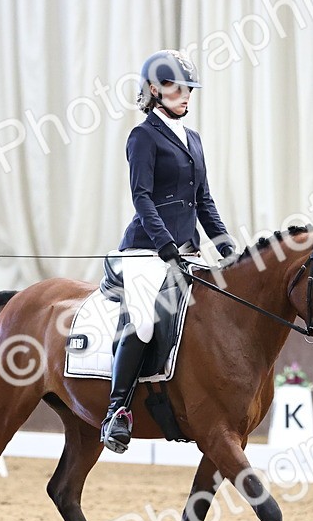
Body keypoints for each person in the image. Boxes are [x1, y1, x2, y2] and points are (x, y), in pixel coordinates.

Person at [99, 49, 238, 454]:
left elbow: (204, 201)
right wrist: (165, 244)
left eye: (189, 89)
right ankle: (116, 412)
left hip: (187, 251)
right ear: (155, 90)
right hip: (146, 250)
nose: (186, 95)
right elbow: (142, 198)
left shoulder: (193, 140)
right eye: (178, 88)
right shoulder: (142, 137)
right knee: (143, 323)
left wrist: (227, 245)